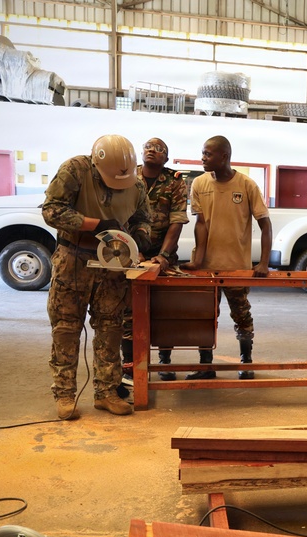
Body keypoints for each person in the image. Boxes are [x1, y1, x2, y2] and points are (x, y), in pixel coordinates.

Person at [42, 135, 152, 420]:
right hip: (73, 259)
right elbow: (52, 211)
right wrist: (93, 225)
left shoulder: (136, 183)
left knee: (110, 328)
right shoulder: (75, 170)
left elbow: (142, 218)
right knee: (66, 329)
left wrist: (139, 236)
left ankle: (106, 393)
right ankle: (65, 395)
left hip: (113, 263)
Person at [184, 135, 272, 380]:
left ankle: (246, 361)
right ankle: (205, 366)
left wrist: (263, 262)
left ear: (224, 156)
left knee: (242, 316)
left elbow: (265, 224)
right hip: (207, 270)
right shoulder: (199, 184)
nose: (202, 158)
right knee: (205, 318)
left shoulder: (246, 185)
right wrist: (198, 261)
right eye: (202, 153)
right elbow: (200, 224)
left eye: (207, 154)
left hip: (237, 268)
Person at [119, 138, 188, 387]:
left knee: (163, 310)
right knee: (129, 312)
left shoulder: (175, 182)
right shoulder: (127, 176)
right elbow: (119, 216)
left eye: (159, 149)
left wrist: (162, 257)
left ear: (166, 158)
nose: (152, 150)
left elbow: (177, 221)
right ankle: (129, 367)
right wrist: (132, 251)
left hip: (163, 255)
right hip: (130, 252)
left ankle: (164, 362)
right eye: (148, 146)